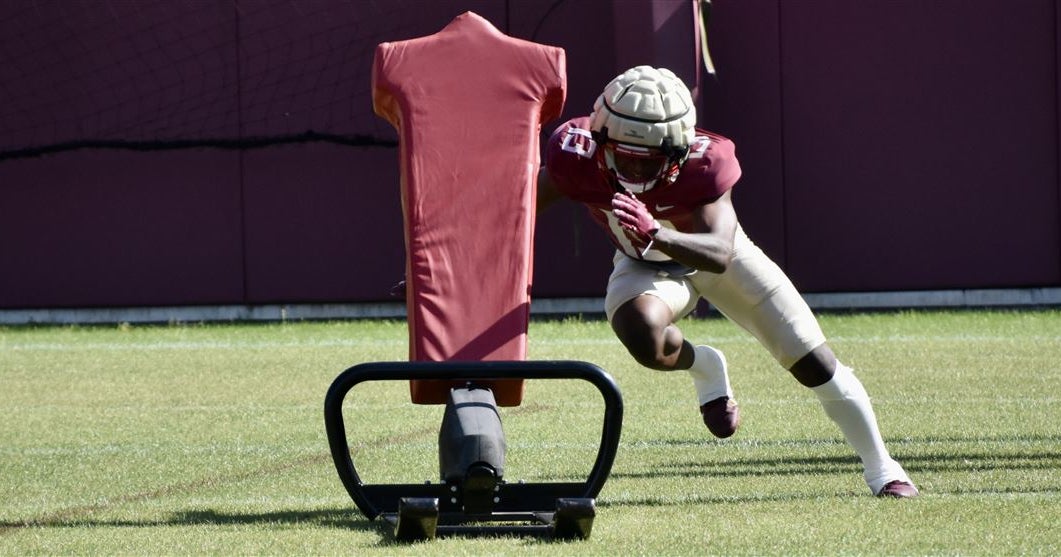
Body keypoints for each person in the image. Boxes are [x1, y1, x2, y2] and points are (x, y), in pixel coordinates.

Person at [537, 66, 918, 498]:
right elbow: (524, 207)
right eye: (624, 158)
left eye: (650, 161)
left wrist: (657, 232)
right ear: (601, 142)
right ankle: (705, 365)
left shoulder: (707, 161)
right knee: (640, 333)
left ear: (679, 150)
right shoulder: (574, 154)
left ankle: (883, 468)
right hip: (644, 263)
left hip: (718, 258)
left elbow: (719, 252)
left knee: (813, 361)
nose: (635, 171)